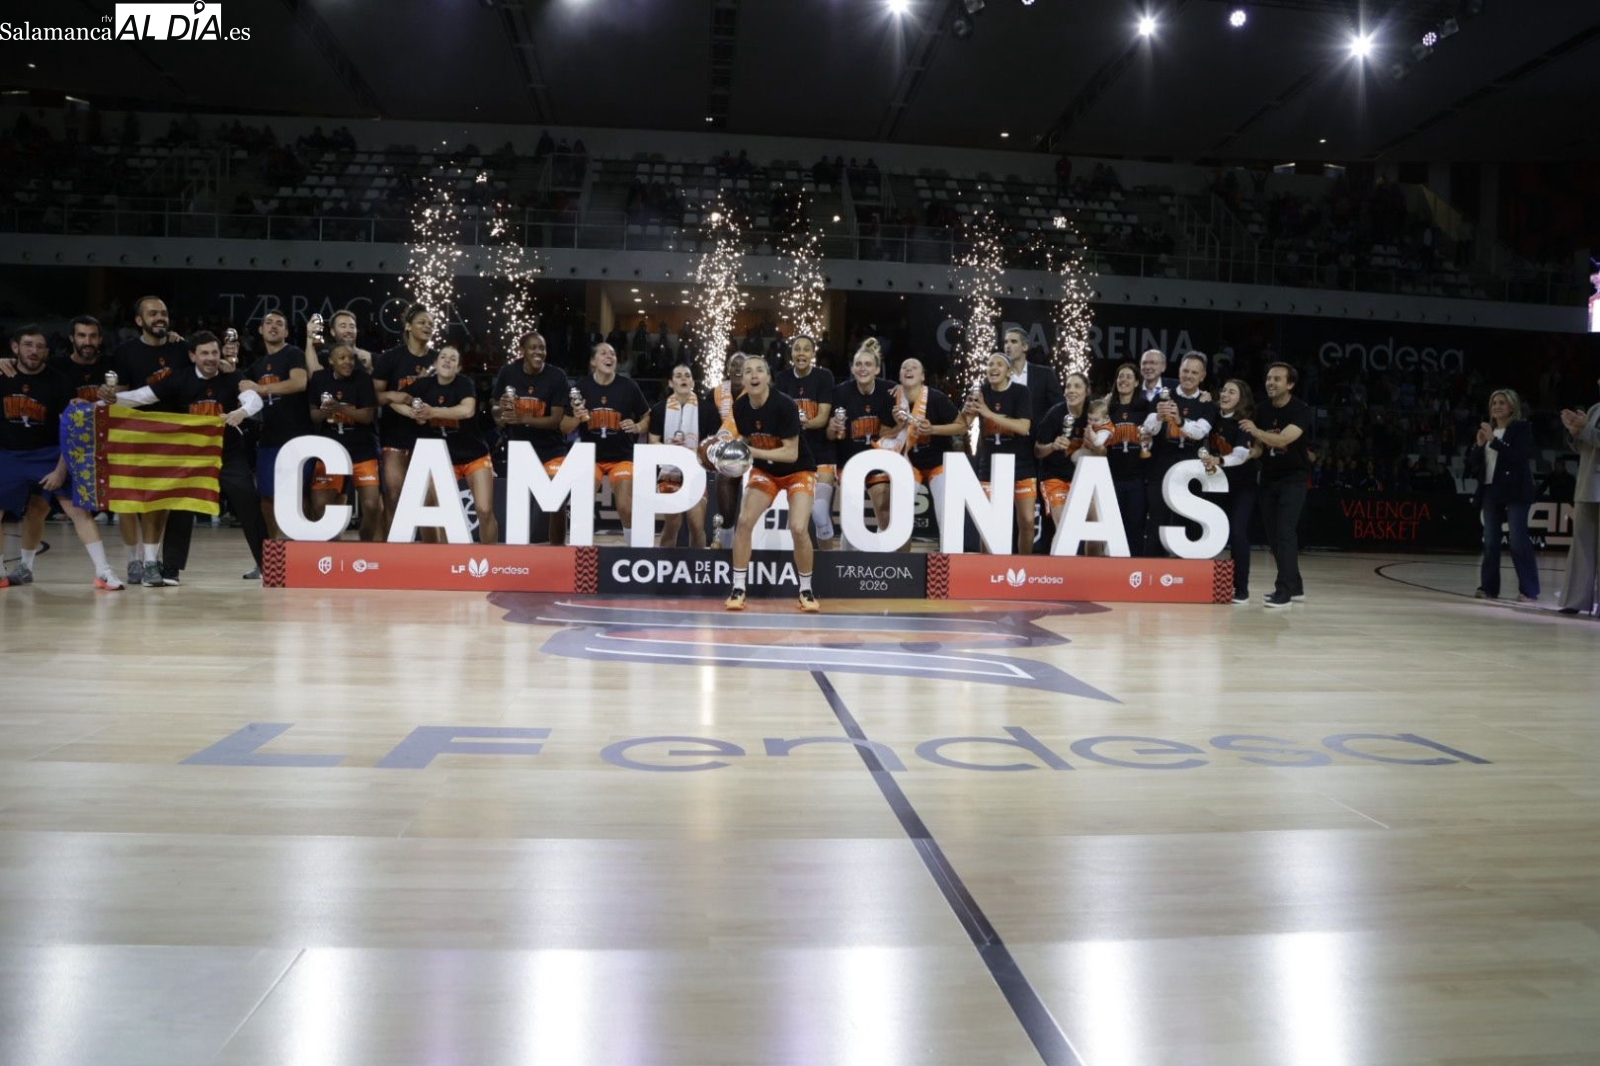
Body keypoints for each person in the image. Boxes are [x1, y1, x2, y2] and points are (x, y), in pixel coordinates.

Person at [102, 331, 268, 582]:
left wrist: (241, 412)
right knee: (180, 505)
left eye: (214, 352)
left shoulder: (232, 376)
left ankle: (268, 565)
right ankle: (171, 569)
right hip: (193, 458)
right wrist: (109, 401)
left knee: (248, 503)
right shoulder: (180, 379)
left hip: (228, 455)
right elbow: (142, 396)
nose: (210, 358)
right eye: (204, 353)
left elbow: (254, 400)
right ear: (193, 356)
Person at [0, 325, 125, 590]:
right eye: (27, 345)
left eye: (39, 346)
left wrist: (60, 470)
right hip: (8, 454)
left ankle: (104, 572)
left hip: (49, 453)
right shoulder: (2, 375)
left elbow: (70, 432)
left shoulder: (59, 381)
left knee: (77, 509)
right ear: (15, 347)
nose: (33, 351)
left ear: (47, 351)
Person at [724, 356, 820, 613]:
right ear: (743, 379)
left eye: (759, 370)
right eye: (748, 371)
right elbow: (746, 440)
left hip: (798, 469)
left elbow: (790, 454)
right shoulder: (740, 407)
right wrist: (732, 456)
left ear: (768, 377)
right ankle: (738, 588)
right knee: (744, 522)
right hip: (765, 471)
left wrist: (751, 452)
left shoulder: (784, 405)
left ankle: (806, 590)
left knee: (798, 527)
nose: (753, 375)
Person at [112, 296, 190, 585]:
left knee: (160, 501)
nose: (160, 317)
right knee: (128, 502)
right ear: (139, 320)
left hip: (171, 434)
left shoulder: (182, 349)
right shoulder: (125, 353)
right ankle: (132, 559)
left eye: (164, 313)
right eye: (153, 313)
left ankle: (150, 561)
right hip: (133, 433)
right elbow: (119, 397)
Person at [407, 345, 498, 544]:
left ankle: (492, 556)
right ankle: (441, 556)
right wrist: (411, 413)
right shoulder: (424, 385)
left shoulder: (464, 383)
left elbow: (467, 411)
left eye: (453, 359)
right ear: (436, 363)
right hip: (442, 460)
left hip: (473, 455)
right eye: (443, 357)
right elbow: (396, 399)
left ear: (458, 368)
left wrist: (432, 412)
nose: (447, 360)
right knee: (438, 511)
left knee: (484, 510)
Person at [237, 310, 312, 551]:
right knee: (267, 497)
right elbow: (241, 385)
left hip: (297, 437)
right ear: (260, 330)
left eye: (279, 323)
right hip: (269, 438)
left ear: (286, 332)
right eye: (268, 323)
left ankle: (304, 552)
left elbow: (299, 382)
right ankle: (274, 553)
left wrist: (261, 389)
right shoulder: (258, 365)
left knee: (300, 496)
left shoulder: (294, 354)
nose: (273, 326)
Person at [1239, 362, 1312, 609]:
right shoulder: (1262, 409)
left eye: (1277, 379)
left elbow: (1283, 439)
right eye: (1269, 378)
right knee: (1273, 537)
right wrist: (1248, 453)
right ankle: (1296, 586)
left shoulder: (1301, 410)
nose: (1270, 382)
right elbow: (1260, 448)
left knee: (1284, 533)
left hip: (1294, 478)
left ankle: (1284, 591)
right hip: (1269, 478)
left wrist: (1256, 432)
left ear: (1290, 384)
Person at [564, 341, 650, 542]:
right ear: (593, 361)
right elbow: (564, 427)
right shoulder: (580, 388)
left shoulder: (628, 386)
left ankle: (633, 549)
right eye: (603, 353)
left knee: (626, 506)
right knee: (580, 505)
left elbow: (648, 416)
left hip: (622, 456)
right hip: (590, 457)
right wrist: (577, 417)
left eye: (612, 353)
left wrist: (638, 426)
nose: (610, 356)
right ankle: (580, 549)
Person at [491, 330, 570, 544]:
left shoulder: (557, 376)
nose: (538, 352)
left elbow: (556, 420)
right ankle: (521, 553)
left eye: (542, 348)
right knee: (520, 505)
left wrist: (522, 418)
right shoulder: (508, 372)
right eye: (533, 348)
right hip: (520, 449)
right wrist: (500, 413)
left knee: (557, 497)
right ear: (522, 351)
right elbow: (495, 406)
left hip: (551, 448)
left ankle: (558, 548)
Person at [1466, 389, 1539, 602]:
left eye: (1502, 402)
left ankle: (1529, 590)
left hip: (1516, 490)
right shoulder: (1488, 431)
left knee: (1517, 540)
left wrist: (1494, 440)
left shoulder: (1521, 428)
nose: (1497, 406)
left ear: (1512, 407)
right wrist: (1479, 445)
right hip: (1490, 489)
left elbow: (1518, 457)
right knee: (1490, 541)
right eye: (1494, 403)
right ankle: (1489, 588)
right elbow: (1474, 462)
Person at [1142, 352, 1217, 556]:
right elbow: (1148, 428)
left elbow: (1200, 432)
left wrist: (1179, 420)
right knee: (1157, 519)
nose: (1188, 376)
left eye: (1194, 372)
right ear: (1179, 371)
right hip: (1160, 469)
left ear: (1202, 376)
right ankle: (1151, 568)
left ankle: (1183, 570)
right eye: (1185, 371)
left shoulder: (1207, 403)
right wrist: (1159, 417)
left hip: (1190, 472)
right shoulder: (1163, 395)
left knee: (1186, 522)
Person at [827, 338, 900, 548]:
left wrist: (902, 393)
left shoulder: (890, 390)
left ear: (877, 369)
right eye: (858, 364)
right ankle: (847, 562)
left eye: (868, 364)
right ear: (852, 368)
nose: (862, 368)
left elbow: (901, 427)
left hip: (878, 462)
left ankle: (880, 556)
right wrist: (832, 427)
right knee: (851, 519)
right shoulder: (840, 392)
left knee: (885, 514)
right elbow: (831, 435)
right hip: (849, 461)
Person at [373, 304, 437, 542]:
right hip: (395, 436)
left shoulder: (437, 360)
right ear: (408, 326)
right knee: (393, 496)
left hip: (428, 439)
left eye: (431, 323)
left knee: (429, 502)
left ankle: (433, 556)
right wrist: (397, 400)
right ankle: (392, 553)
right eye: (422, 322)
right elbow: (374, 396)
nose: (427, 326)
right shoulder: (390, 358)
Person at [308, 343, 382, 542]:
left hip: (362, 451)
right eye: (342, 358)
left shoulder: (363, 379)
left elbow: (366, 416)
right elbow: (313, 416)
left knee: (372, 506)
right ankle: (333, 548)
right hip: (330, 451)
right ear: (331, 361)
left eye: (351, 358)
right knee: (319, 506)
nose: (348, 362)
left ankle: (365, 544)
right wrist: (324, 412)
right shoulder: (319, 378)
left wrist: (338, 407)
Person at [888, 357, 964, 544]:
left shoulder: (936, 398)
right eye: (904, 367)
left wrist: (933, 429)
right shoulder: (892, 398)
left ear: (922, 377)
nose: (908, 370)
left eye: (914, 367)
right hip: (908, 462)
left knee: (945, 514)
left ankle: (949, 554)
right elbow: (883, 434)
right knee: (899, 516)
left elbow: (962, 426)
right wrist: (898, 427)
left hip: (938, 461)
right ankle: (900, 558)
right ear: (899, 376)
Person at [965, 351, 1035, 555]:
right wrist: (967, 410)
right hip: (989, 466)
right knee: (989, 523)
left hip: (1021, 465)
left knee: (1027, 520)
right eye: (990, 364)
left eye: (999, 364)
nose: (993, 368)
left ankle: (1024, 565)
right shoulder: (980, 392)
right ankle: (987, 567)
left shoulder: (1021, 392)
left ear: (1009, 372)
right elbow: (963, 425)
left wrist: (988, 414)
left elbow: (1023, 427)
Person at [1202, 379, 1262, 605]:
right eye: (1224, 390)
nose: (1225, 394)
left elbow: (1240, 455)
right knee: (1209, 530)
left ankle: (1241, 588)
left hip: (1242, 487)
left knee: (1237, 533)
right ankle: (1201, 581)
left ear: (1241, 398)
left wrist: (1218, 460)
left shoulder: (1244, 423)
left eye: (1232, 392)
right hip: (1217, 485)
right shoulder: (1214, 415)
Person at [648, 364, 720, 548]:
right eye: (678, 376)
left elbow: (714, 445)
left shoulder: (708, 410)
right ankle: (665, 563)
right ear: (671, 383)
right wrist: (673, 451)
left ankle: (698, 563)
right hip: (669, 472)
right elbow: (652, 442)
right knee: (673, 523)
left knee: (696, 524)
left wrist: (693, 452)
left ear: (692, 382)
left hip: (697, 471)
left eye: (687, 376)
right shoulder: (659, 409)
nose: (683, 379)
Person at [773, 335, 836, 543]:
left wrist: (801, 424)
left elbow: (822, 418)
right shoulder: (782, 378)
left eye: (806, 349)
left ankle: (827, 558)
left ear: (813, 354)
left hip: (821, 452)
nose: (801, 353)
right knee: (794, 521)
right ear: (791, 354)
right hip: (794, 454)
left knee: (820, 512)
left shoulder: (824, 376)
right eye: (797, 349)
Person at [1556, 382, 1600, 615]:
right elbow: (1583, 446)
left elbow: (1592, 435)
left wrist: (1586, 430)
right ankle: (1575, 600)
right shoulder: (1595, 409)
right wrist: (1574, 433)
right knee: (1581, 546)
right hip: (1588, 483)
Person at [1103, 362, 1152, 556]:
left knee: (1135, 528)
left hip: (1137, 480)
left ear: (1137, 382)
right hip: (1112, 479)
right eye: (1120, 376)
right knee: (1114, 529)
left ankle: (1135, 570)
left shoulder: (1145, 409)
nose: (1123, 380)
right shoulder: (1108, 409)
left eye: (1129, 377)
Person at [1034, 371, 1092, 532]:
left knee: (1095, 529)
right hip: (1054, 477)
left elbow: (1104, 450)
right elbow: (1037, 451)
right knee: (1064, 530)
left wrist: (1096, 443)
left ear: (1087, 391)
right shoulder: (1055, 414)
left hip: (1083, 479)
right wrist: (1052, 446)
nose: (1071, 390)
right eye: (1068, 386)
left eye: (1077, 386)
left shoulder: (1093, 413)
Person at [1001, 327, 1064, 430]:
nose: (1008, 345)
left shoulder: (1044, 374)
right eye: (1006, 342)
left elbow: (1059, 407)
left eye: (1013, 341)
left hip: (1036, 436)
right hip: (1006, 435)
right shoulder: (999, 376)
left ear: (1025, 346)